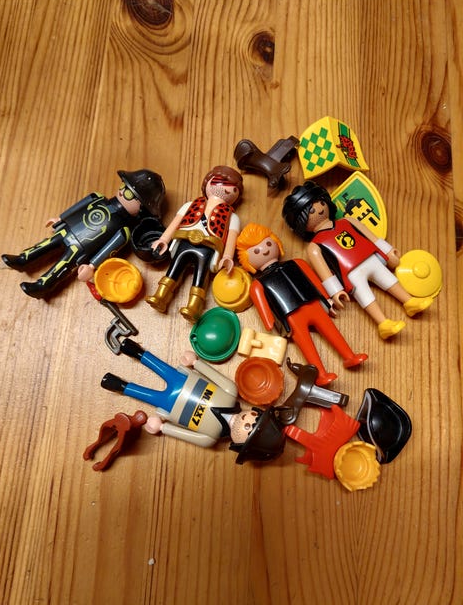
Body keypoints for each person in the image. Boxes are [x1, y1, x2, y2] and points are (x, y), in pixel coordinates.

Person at [282, 181, 433, 339]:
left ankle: (409, 302)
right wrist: (335, 291)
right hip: (351, 274)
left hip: (370, 258)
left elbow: (372, 237)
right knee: (365, 296)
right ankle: (383, 323)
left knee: (389, 279)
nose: (319, 209)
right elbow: (325, 273)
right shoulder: (314, 246)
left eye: (321, 202)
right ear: (301, 222)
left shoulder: (348, 221)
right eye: (311, 210)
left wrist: (388, 251)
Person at [236, 223, 367, 386]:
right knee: (306, 345)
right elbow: (262, 307)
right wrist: (272, 324)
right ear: (247, 261)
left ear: (276, 242)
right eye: (256, 251)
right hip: (291, 316)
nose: (265, 250)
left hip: (313, 303)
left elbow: (315, 281)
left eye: (268, 243)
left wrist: (327, 299)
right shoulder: (258, 285)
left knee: (331, 330)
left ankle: (350, 356)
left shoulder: (297, 262)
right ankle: (320, 374)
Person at [1, 169, 165, 298]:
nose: (122, 192)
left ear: (141, 208)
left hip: (81, 248)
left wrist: (92, 266)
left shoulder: (123, 231)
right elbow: (78, 207)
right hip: (67, 229)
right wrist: (61, 218)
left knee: (62, 265)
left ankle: (43, 286)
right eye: (124, 187)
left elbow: (107, 250)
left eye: (129, 194)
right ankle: (23, 259)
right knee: (44, 244)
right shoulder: (97, 197)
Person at [101, 338, 261, 448]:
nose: (247, 423)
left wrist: (162, 427)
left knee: (144, 395)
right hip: (185, 381)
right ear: (255, 412)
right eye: (255, 419)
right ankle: (136, 352)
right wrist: (195, 363)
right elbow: (214, 376)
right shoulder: (231, 392)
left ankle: (119, 385)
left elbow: (183, 434)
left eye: (248, 429)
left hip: (172, 407)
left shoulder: (209, 438)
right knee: (160, 366)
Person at [145, 165, 243, 322]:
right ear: (207, 183)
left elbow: (231, 237)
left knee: (200, 276)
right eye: (218, 182)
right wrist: (164, 239)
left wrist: (227, 257)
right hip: (184, 241)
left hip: (208, 248)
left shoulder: (232, 217)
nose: (223, 189)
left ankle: (194, 307)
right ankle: (161, 296)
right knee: (173, 269)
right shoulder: (190, 205)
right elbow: (175, 223)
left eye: (232, 188)